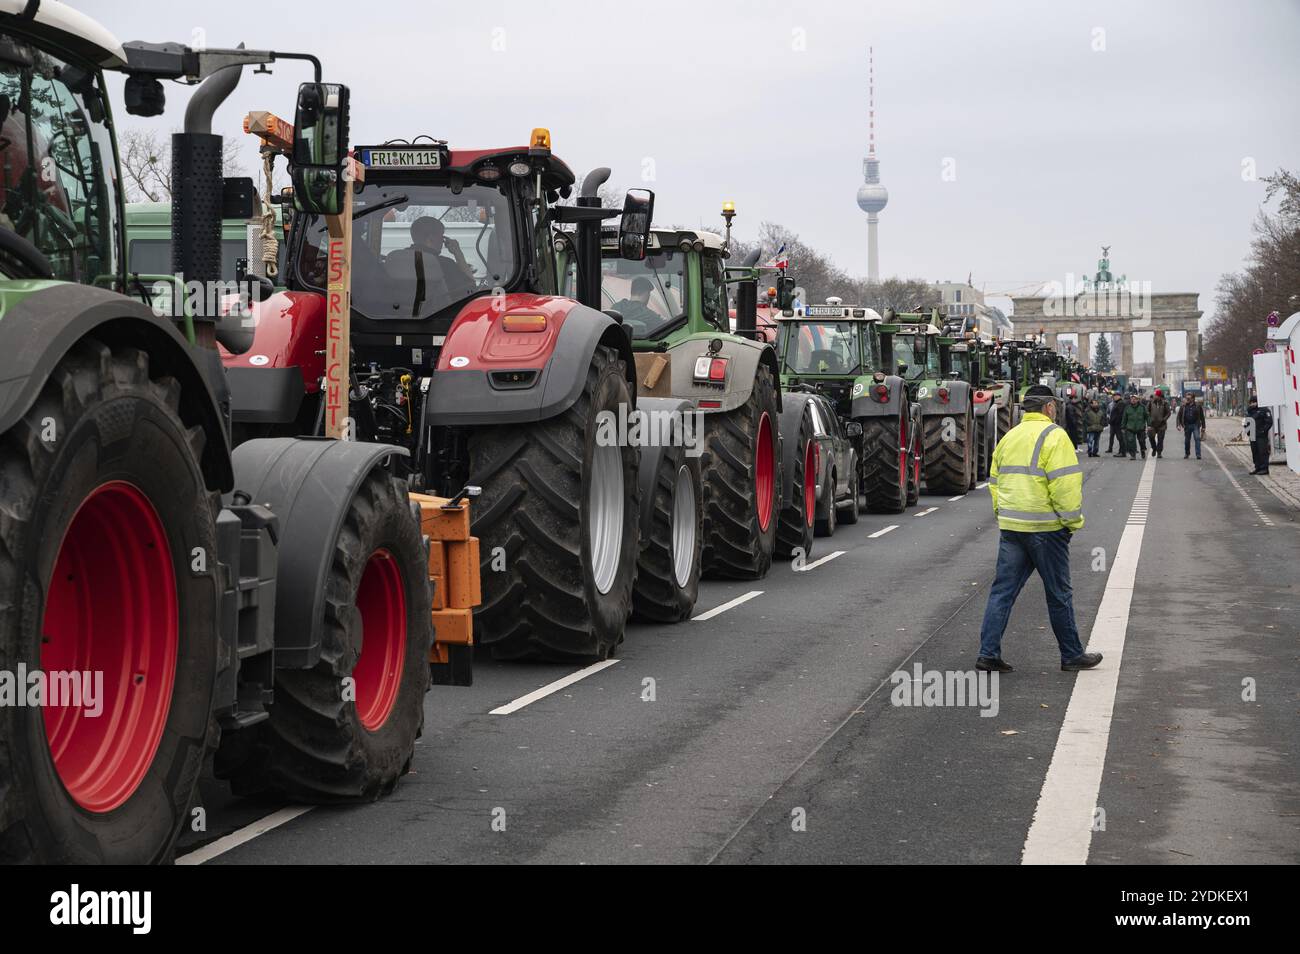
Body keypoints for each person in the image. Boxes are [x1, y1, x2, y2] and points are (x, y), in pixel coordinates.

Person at [977, 386, 1101, 673]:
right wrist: (1071, 523)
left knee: (1002, 592)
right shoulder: (1055, 436)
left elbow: (994, 482)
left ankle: (988, 653)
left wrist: (1003, 515)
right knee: (1059, 594)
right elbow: (1065, 486)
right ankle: (1071, 654)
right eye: (1054, 406)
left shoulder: (1008, 438)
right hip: (1047, 529)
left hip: (1012, 528)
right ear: (1048, 408)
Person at [1246, 396, 1273, 475]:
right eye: (1251, 402)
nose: (1252, 404)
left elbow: (1269, 422)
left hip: (1261, 435)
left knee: (1262, 451)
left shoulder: (1264, 410)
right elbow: (1247, 421)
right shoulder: (1250, 410)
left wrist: (1263, 431)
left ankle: (1264, 468)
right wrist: (1248, 431)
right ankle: (1257, 467)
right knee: (1255, 452)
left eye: (1253, 402)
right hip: (1252, 435)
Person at [1175, 392, 1205, 459]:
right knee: (1187, 441)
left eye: (1189, 398)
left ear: (1193, 398)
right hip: (1187, 425)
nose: (1187, 399)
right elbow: (1178, 416)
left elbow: (1202, 417)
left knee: (1197, 438)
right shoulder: (1183, 406)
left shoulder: (1198, 406)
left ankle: (1198, 454)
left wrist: (1203, 427)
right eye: (1187, 398)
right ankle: (1187, 453)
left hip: (1195, 425)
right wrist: (1178, 425)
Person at [1122, 392, 1149, 460]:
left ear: (1138, 400)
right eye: (1132, 399)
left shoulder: (1142, 407)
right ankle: (1132, 455)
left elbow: (1147, 417)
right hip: (1130, 427)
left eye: (1135, 399)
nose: (1133, 400)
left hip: (1140, 427)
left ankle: (1143, 450)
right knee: (1131, 441)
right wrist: (1123, 427)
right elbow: (1124, 418)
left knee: (1142, 441)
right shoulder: (1127, 408)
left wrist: (1149, 425)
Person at [1147, 389, 1170, 459]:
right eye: (1154, 395)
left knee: (1160, 439)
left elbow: (1168, 413)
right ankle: (1154, 448)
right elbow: (1147, 411)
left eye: (1156, 395)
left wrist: (1164, 419)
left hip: (1161, 424)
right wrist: (1149, 418)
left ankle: (1159, 452)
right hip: (1152, 424)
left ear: (1159, 396)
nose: (1155, 396)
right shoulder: (1151, 402)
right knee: (1151, 437)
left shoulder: (1165, 403)